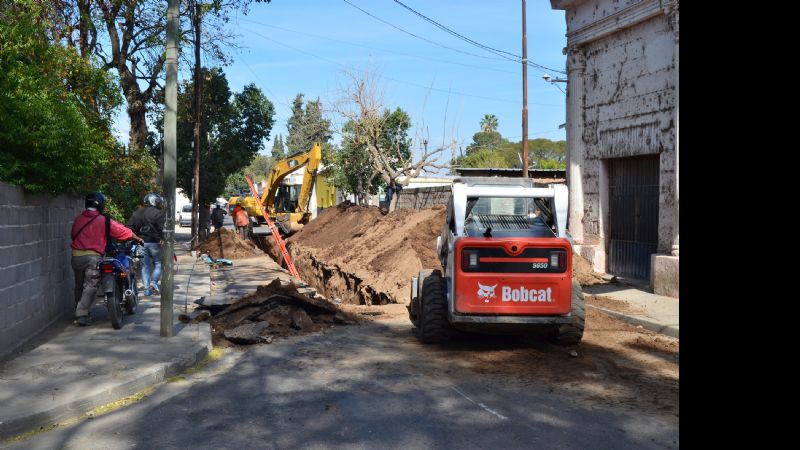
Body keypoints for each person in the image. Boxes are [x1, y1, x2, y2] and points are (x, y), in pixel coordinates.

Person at [71, 192, 143, 326]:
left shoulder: (78, 219)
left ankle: (79, 310)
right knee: (90, 286)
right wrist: (137, 238)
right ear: (101, 205)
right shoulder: (104, 220)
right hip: (93, 257)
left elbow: (73, 234)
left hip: (76, 256)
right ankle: (81, 313)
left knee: (79, 285)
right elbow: (123, 232)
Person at [127, 193, 165, 297]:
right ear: (154, 201)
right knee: (158, 263)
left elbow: (129, 227)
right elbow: (162, 229)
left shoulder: (136, 213)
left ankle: (147, 290)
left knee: (144, 266)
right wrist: (163, 238)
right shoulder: (159, 213)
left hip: (139, 243)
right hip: (155, 243)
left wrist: (136, 237)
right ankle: (154, 282)